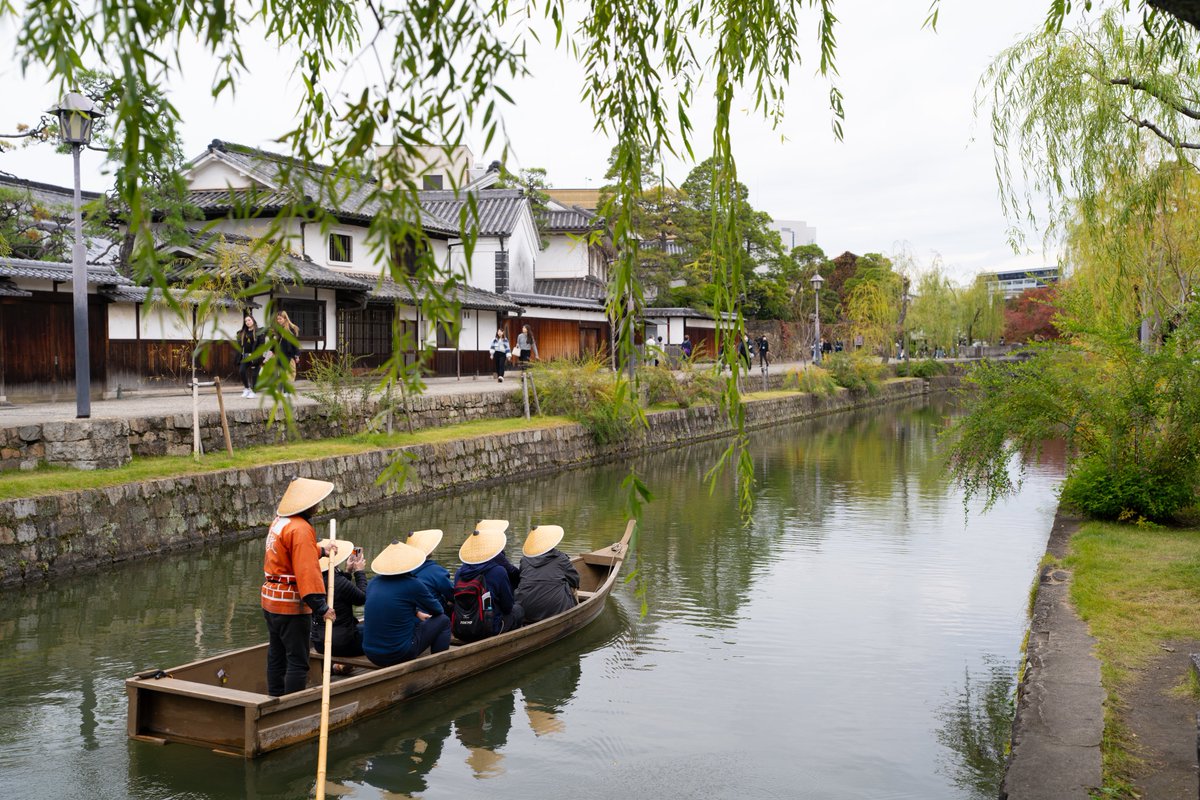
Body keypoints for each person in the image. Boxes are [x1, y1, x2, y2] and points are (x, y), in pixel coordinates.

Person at [261, 477, 336, 696]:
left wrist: (321, 550)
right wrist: (322, 608)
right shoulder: (301, 529)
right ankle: (291, 706)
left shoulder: (280, 522)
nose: (318, 506)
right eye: (316, 503)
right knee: (297, 660)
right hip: (289, 605)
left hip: (270, 600)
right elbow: (306, 571)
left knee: (276, 653)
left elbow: (290, 553)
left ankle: (274, 697)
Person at [362, 540, 451, 667]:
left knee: (413, 621)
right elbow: (438, 610)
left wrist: (416, 612)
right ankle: (439, 665)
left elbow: (390, 604)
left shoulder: (373, 583)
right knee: (443, 621)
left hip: (371, 654)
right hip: (398, 654)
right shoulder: (412, 584)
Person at [454, 522, 523, 640]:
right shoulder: (498, 571)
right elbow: (507, 607)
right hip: (488, 629)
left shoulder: (459, 573)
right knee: (518, 610)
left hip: (461, 629)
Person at [310, 537, 367, 661]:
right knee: (376, 631)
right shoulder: (337, 581)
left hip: (320, 644)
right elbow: (362, 598)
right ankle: (343, 664)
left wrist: (347, 572)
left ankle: (337, 666)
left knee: (365, 627)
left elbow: (340, 593)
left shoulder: (310, 580)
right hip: (344, 644)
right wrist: (359, 572)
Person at [515, 524, 579, 623]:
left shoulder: (524, 560)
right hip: (555, 610)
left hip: (526, 609)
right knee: (568, 584)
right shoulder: (561, 559)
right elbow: (575, 580)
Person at [407, 528, 454, 615]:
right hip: (433, 616)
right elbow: (452, 594)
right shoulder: (435, 571)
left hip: (411, 614)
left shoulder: (403, 571)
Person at [268, 310, 302, 391]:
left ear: (285, 318)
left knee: (286, 373)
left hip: (288, 354)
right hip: (278, 354)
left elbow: (295, 343)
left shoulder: (291, 329)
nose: (278, 321)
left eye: (280, 319)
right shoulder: (277, 329)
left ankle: (286, 391)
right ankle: (281, 389)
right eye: (277, 319)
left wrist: (297, 355)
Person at [237, 314, 264, 399]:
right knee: (241, 371)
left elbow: (261, 345)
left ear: (253, 320)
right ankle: (247, 388)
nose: (247, 322)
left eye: (249, 320)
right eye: (246, 321)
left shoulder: (259, 332)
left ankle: (254, 391)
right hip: (245, 356)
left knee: (255, 374)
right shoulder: (242, 332)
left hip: (256, 356)